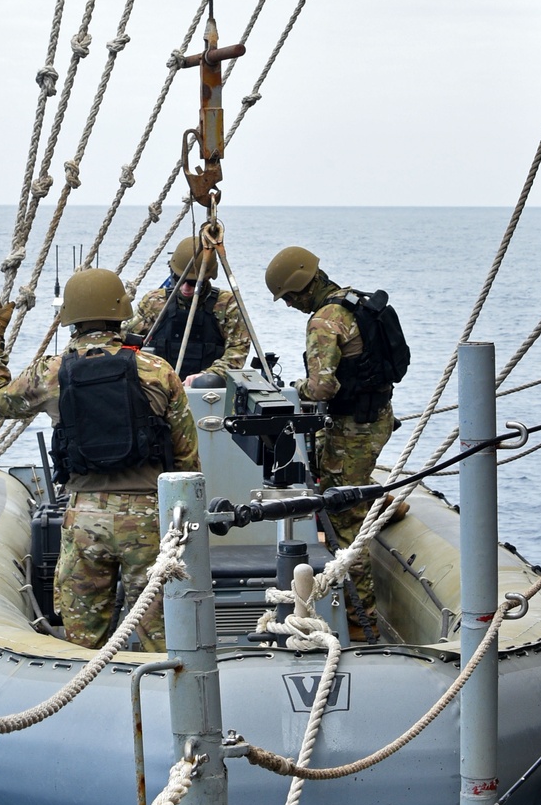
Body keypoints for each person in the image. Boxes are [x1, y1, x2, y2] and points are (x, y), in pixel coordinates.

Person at [0, 268, 199, 653]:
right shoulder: (158, 371)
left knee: (82, 644)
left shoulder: (52, 372)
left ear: (71, 318)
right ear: (121, 313)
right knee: (161, 641)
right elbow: (186, 457)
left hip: (84, 521)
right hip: (147, 522)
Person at [265, 245, 397, 640]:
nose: (289, 305)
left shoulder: (325, 320)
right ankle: (378, 497)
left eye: (289, 297)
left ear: (303, 288)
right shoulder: (356, 301)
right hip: (377, 416)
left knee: (341, 516)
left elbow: (323, 387)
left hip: (352, 427)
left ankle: (363, 616)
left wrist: (294, 389)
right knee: (336, 482)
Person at [134, 236, 250, 385]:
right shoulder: (154, 302)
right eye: (179, 280)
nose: (185, 288)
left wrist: (209, 376)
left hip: (208, 391)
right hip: (160, 386)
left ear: (207, 278)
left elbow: (238, 350)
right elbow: (127, 340)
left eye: (193, 283)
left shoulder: (226, 305)